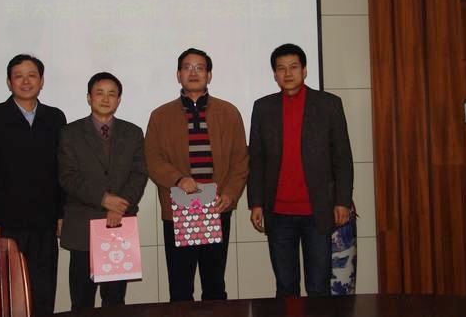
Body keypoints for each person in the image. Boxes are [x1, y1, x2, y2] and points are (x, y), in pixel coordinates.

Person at [247, 43, 354, 297]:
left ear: (304, 70)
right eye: (281, 68)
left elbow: (342, 158)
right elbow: (257, 160)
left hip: (318, 211)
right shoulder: (263, 108)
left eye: (293, 67)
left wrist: (342, 201)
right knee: (286, 286)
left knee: (318, 286)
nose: (288, 73)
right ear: (274, 74)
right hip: (278, 213)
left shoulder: (329, 104)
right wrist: (256, 203)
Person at [145, 48, 249, 302]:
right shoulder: (160, 116)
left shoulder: (229, 113)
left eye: (200, 67)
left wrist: (230, 195)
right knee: (180, 289)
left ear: (209, 75)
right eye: (187, 67)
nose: (193, 73)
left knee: (214, 286)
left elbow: (240, 161)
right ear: (178, 75)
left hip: (216, 208)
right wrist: (178, 179)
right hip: (178, 211)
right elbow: (152, 159)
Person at [0, 54, 67, 317]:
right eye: (18, 76)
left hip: (45, 223)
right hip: (5, 224)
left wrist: (62, 213)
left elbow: (63, 170)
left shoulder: (55, 117)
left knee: (43, 292)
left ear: (42, 81)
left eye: (32, 75)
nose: (26, 82)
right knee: (7, 293)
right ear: (9, 82)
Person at [58, 72, 147, 310]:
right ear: (89, 97)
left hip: (119, 226)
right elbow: (68, 177)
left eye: (112, 94)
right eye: (99, 93)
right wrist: (104, 199)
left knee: (115, 301)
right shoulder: (70, 133)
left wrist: (120, 206)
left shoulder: (133, 132)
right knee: (81, 302)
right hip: (82, 229)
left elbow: (139, 174)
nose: (105, 99)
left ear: (119, 100)